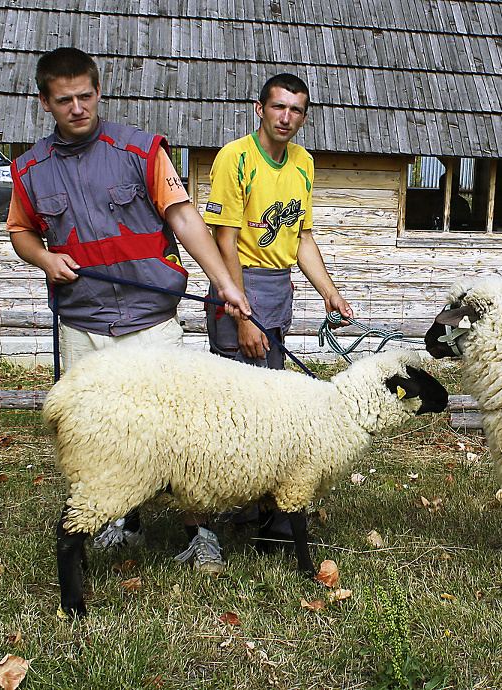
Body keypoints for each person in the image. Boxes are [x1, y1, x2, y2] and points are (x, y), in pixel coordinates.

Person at [6, 47, 252, 573]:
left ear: (99, 92)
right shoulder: (29, 168)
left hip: (150, 318)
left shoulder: (140, 150)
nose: (78, 108)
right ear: (45, 102)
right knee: (100, 430)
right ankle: (121, 518)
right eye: (65, 99)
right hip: (83, 322)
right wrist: (45, 258)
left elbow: (185, 220)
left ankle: (201, 533)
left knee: (183, 432)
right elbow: (22, 233)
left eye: (86, 96)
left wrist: (225, 284)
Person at [203, 73, 352, 541]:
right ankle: (224, 510)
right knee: (237, 406)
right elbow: (222, 237)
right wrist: (241, 312)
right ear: (260, 109)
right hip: (237, 284)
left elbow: (301, 236)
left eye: (297, 110)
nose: (286, 118)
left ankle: (264, 510)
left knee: (270, 407)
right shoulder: (236, 158)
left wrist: (330, 291)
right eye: (279, 107)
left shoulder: (303, 162)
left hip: (277, 287)